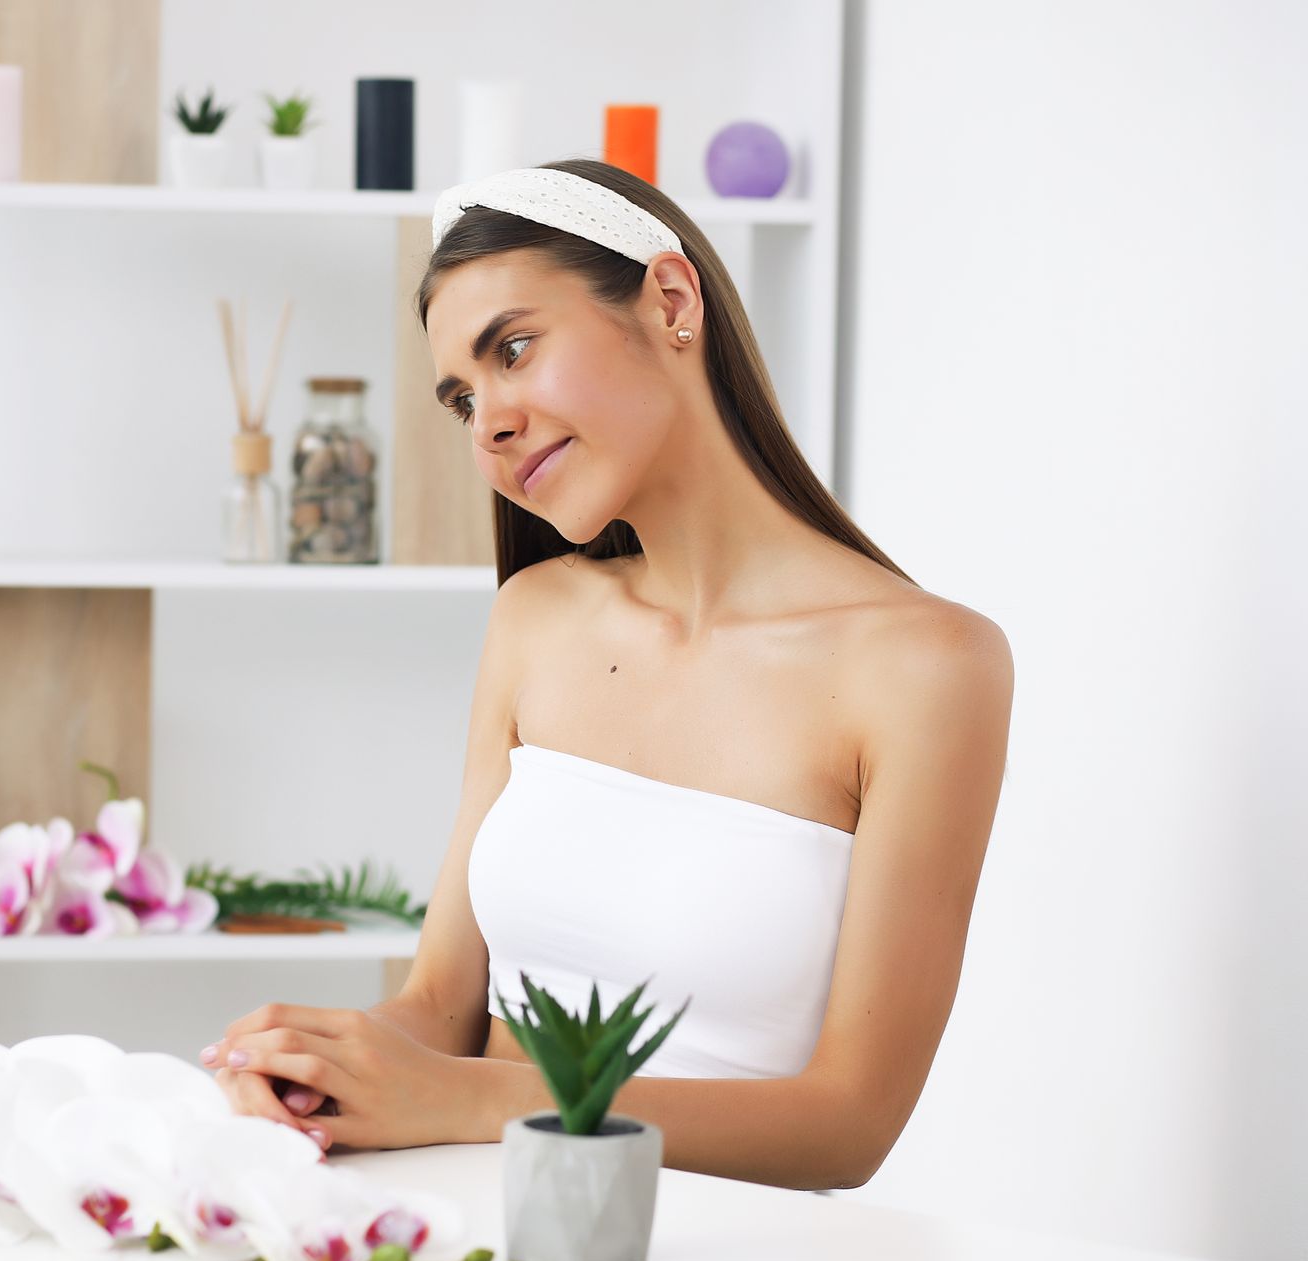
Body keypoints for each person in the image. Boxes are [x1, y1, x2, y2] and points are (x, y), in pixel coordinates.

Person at [197, 159, 1013, 1194]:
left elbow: (849, 1122)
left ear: (671, 301)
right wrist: (327, 1065)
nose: (487, 421)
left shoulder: (926, 667)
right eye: (462, 397)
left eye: (516, 348)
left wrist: (470, 1098)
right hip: (470, 1228)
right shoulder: (536, 618)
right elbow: (442, 999)